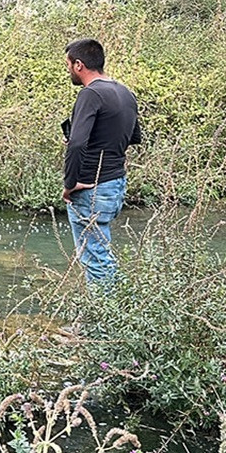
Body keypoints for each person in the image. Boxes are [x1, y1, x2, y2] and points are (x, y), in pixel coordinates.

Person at [61, 38, 141, 286]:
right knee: (101, 254)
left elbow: (76, 144)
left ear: (78, 64)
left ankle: (102, 324)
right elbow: (135, 137)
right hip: (115, 183)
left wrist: (70, 182)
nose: (68, 71)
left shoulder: (91, 94)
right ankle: (116, 313)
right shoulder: (125, 92)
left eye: (68, 65)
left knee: (95, 260)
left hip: (91, 188)